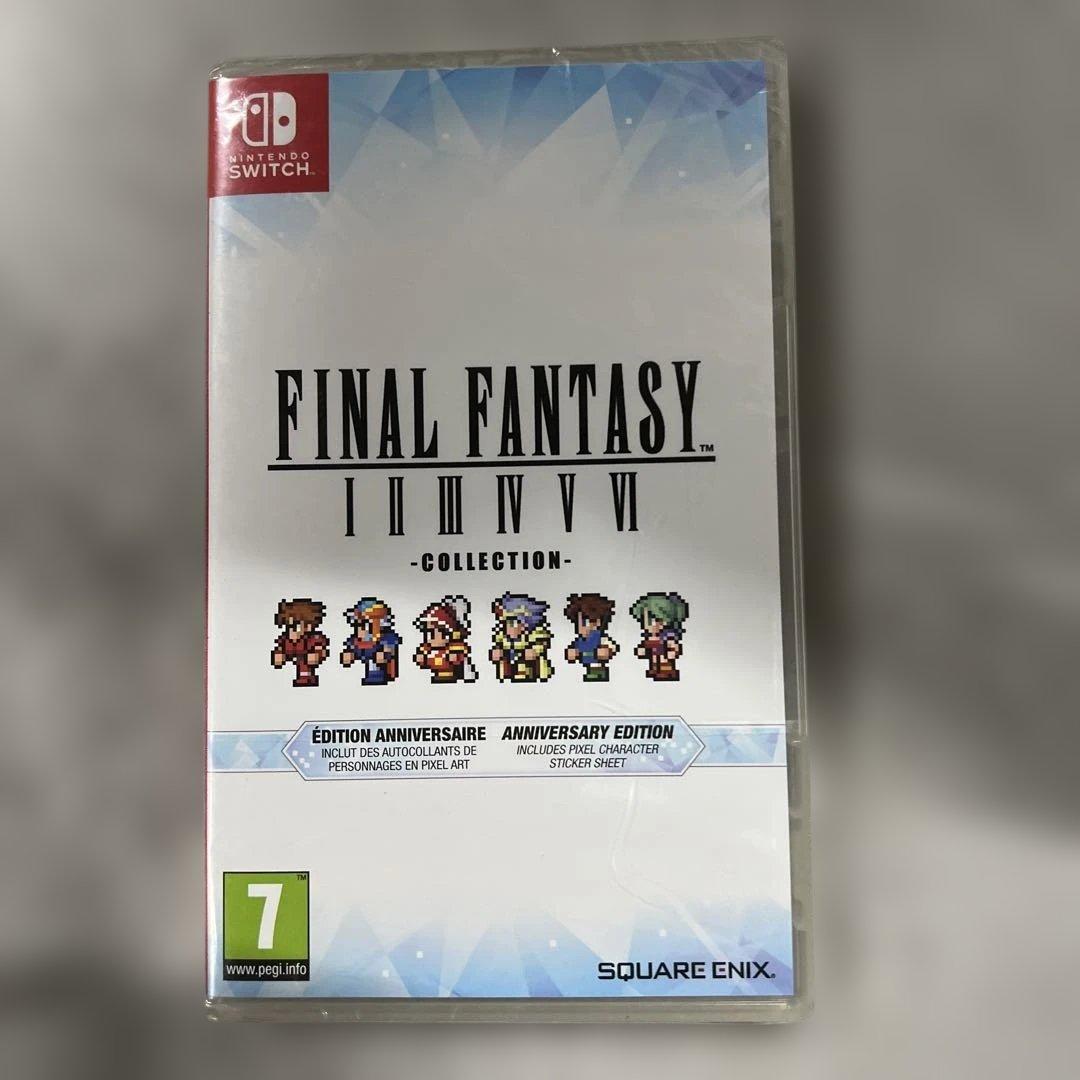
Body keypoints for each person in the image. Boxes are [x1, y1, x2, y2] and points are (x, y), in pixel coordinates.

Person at [413, 596, 478, 684]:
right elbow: (422, 660)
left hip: (450, 675)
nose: (434, 636)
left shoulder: (454, 647)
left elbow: (460, 657)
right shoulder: (426, 648)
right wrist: (421, 659)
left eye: (438, 631)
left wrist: (455, 657)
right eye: (429, 632)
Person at [490, 593, 553, 683]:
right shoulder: (502, 636)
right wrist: (497, 651)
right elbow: (498, 645)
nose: (509, 628)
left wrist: (534, 650)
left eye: (513, 623)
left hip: (530, 668)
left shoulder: (535, 634)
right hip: (510, 666)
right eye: (506, 623)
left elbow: (541, 644)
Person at [629, 592, 689, 682]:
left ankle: (665, 671)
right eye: (649, 621)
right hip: (655, 657)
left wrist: (671, 650)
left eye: (657, 621)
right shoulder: (651, 636)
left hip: (664, 657)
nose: (653, 625)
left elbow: (674, 648)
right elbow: (643, 650)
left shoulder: (668, 636)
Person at [271, 598, 329, 687]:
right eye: (291, 626)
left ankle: (306, 679)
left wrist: (317, 654)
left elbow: (320, 649)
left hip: (306, 665)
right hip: (295, 664)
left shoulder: (313, 638)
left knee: (304, 666)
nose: (294, 631)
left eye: (298, 626)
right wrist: (279, 656)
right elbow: (280, 650)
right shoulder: (285, 640)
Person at [340, 598, 400, 686]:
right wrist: (349, 655)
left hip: (382, 674)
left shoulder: (387, 637)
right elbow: (350, 653)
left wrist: (385, 653)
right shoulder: (356, 639)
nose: (365, 628)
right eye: (361, 623)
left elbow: (389, 651)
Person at [563, 593, 618, 682]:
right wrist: (573, 653)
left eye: (591, 622)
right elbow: (570, 654)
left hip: (598, 669)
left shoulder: (601, 639)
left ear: (599, 623)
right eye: (583, 623)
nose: (587, 628)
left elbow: (608, 651)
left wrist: (600, 652)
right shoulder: (579, 641)